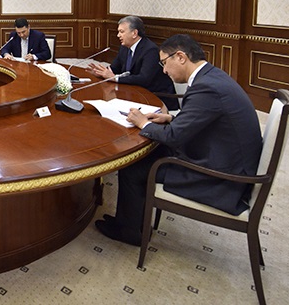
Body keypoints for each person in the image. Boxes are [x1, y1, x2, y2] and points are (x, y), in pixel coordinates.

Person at [95, 34, 262, 245]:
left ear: (181, 57)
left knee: (133, 167)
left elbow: (173, 137)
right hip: (224, 155)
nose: (164, 71)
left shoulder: (206, 88)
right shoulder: (212, 76)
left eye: (165, 63)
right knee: (145, 157)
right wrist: (170, 117)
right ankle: (133, 223)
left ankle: (128, 232)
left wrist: (143, 123)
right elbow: (204, 118)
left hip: (221, 175)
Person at [87, 16, 178, 110]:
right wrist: (101, 73)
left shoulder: (150, 50)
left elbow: (144, 79)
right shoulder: (125, 47)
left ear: (134, 33)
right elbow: (114, 68)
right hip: (134, 93)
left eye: (121, 32)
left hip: (156, 98)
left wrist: (114, 78)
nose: (118, 35)